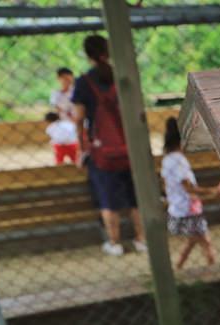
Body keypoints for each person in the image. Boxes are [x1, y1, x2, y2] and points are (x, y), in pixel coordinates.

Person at [71, 35, 146, 257]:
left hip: (103, 152)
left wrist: (81, 147)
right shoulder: (123, 75)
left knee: (108, 199)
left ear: (87, 54)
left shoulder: (84, 82)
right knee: (136, 198)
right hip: (131, 147)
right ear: (109, 51)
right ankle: (142, 240)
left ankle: (115, 243)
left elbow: (79, 118)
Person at [162, 118, 217, 269]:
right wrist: (210, 190)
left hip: (180, 206)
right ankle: (210, 266)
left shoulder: (166, 159)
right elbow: (189, 188)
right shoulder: (179, 160)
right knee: (203, 240)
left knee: (196, 240)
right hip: (188, 209)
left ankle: (181, 266)